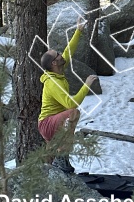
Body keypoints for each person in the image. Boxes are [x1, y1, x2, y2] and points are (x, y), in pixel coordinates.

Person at [38, 18, 98, 173]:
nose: (60, 54)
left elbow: (68, 51)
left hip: (54, 121)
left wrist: (78, 31)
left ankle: (57, 163)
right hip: (47, 123)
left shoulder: (57, 71)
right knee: (73, 113)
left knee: (51, 158)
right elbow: (71, 104)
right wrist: (86, 85)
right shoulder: (52, 82)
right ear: (54, 63)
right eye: (57, 54)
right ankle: (61, 159)